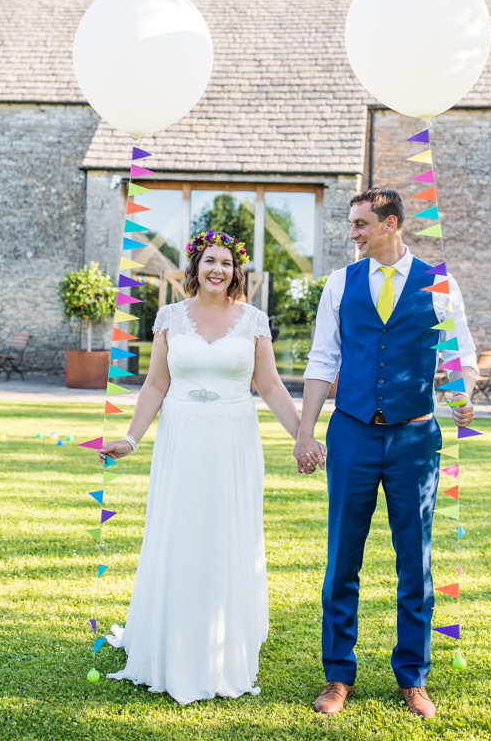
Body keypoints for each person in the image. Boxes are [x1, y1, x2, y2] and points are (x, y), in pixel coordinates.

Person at [294, 188, 478, 719]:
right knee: (341, 559)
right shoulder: (339, 283)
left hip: (415, 438)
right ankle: (337, 675)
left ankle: (413, 678)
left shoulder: (439, 283)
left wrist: (463, 398)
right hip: (351, 432)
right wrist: (306, 432)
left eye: (359, 224)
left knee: (414, 562)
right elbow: (322, 358)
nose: (351, 234)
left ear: (390, 223)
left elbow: (458, 353)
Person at [99, 229, 301, 705]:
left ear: (237, 271)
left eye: (227, 263)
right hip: (182, 437)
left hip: (232, 439)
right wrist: (131, 438)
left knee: (225, 532)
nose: (218, 270)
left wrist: (304, 436)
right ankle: (172, 638)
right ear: (195, 267)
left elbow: (269, 386)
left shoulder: (253, 320)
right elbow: (154, 386)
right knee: (181, 531)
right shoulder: (169, 317)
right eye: (210, 260)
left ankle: (224, 639)